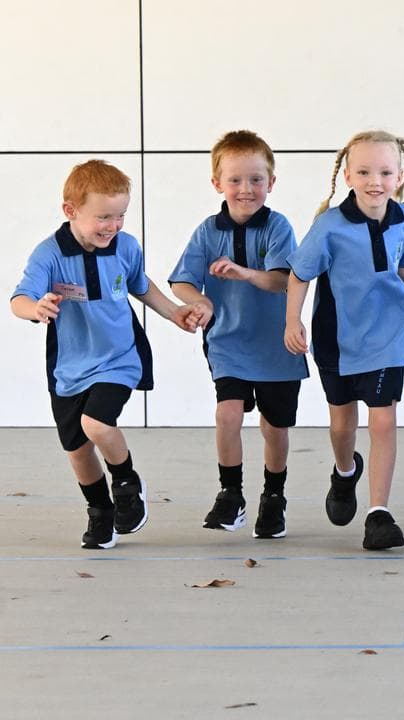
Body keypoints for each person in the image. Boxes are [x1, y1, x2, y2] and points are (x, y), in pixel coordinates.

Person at [11, 159, 204, 548]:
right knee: (78, 451)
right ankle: (101, 513)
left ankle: (127, 482)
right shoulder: (49, 254)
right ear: (71, 211)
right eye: (103, 217)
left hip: (119, 358)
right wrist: (36, 309)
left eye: (120, 216)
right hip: (69, 367)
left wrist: (174, 313)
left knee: (96, 424)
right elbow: (19, 299)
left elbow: (140, 285)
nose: (113, 226)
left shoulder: (126, 247)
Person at [285, 130, 404, 550]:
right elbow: (299, 274)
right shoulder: (329, 226)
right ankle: (345, 472)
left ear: (399, 175)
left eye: (384, 172)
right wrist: (292, 322)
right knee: (342, 423)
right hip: (338, 341)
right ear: (347, 175)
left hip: (386, 337)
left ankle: (378, 512)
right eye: (364, 171)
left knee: (383, 420)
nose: (374, 181)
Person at [169, 130, 308, 539]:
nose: (246, 189)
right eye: (235, 180)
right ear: (217, 184)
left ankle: (274, 496)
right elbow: (182, 281)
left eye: (256, 179)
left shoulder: (279, 227)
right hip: (228, 342)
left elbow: (283, 281)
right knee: (227, 414)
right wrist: (201, 302)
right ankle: (231, 494)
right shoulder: (207, 231)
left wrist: (244, 272)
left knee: (274, 427)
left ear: (271, 182)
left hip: (277, 346)